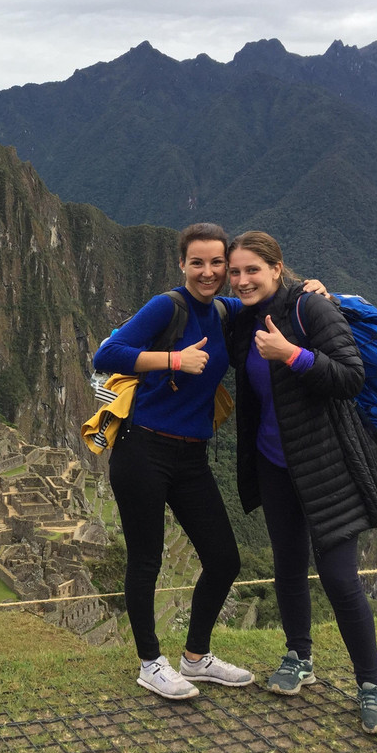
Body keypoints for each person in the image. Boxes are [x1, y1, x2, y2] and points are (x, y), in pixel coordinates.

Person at [225, 230, 377, 735]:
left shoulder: (311, 310)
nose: (242, 279)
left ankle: (372, 685)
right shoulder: (242, 321)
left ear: (278, 268)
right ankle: (299, 656)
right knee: (288, 566)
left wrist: (291, 355)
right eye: (236, 272)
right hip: (274, 465)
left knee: (341, 578)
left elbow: (350, 376)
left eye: (252, 269)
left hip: (327, 467)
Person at [91, 222, 254, 701]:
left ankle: (196, 658)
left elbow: (271, 298)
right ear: (182, 264)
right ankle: (150, 663)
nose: (208, 272)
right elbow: (108, 354)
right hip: (143, 450)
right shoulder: (169, 306)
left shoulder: (225, 310)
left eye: (217, 263)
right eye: (197, 262)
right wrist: (172, 360)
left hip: (191, 457)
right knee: (147, 560)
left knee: (224, 559)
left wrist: (321, 293)